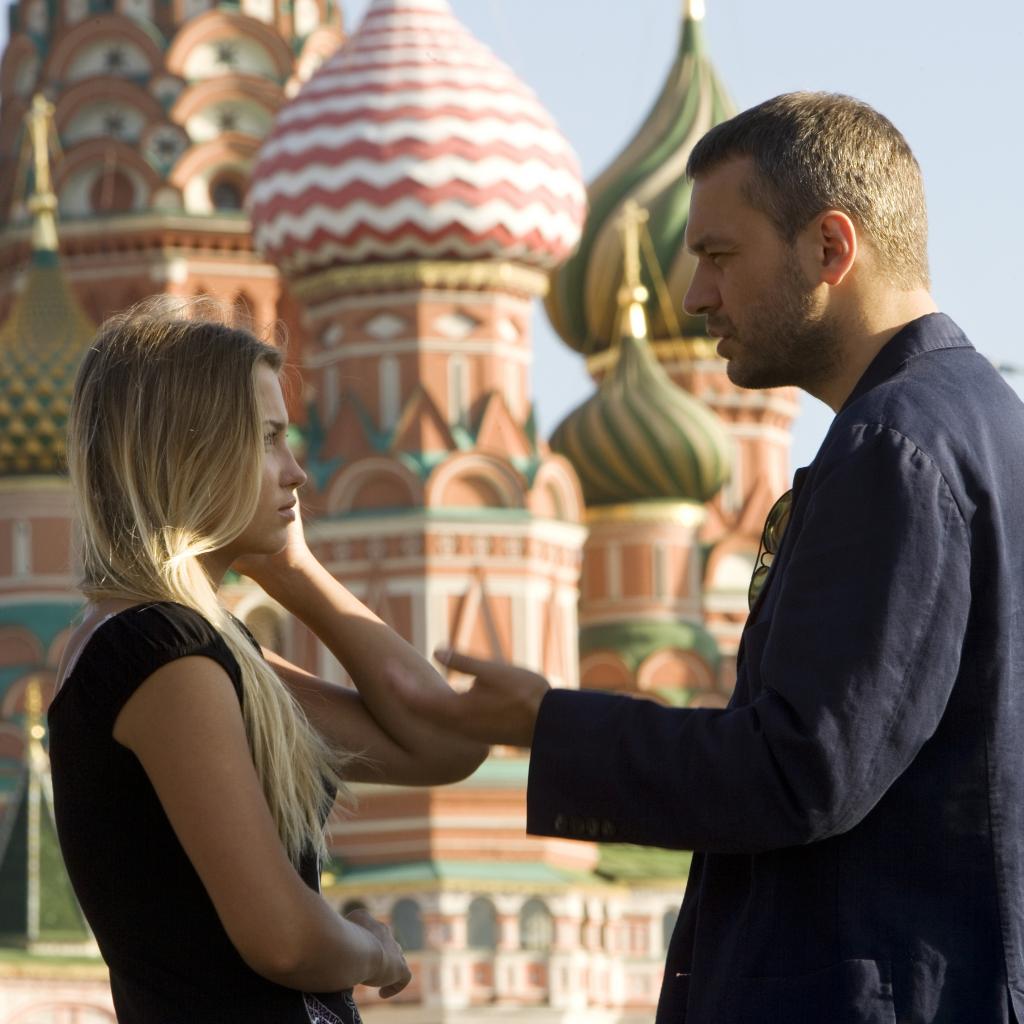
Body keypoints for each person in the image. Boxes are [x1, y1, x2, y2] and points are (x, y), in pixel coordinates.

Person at [392, 93, 1024, 1023]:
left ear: (830, 247)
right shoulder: (987, 428)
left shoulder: (892, 449)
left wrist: (547, 723)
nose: (694, 296)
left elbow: (803, 771)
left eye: (719, 256)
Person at [49, 299, 488, 1023]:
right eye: (269, 440)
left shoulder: (195, 648)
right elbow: (285, 940)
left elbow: (445, 743)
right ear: (191, 452)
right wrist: (374, 951)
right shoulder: (161, 656)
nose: (297, 474)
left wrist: (294, 570)